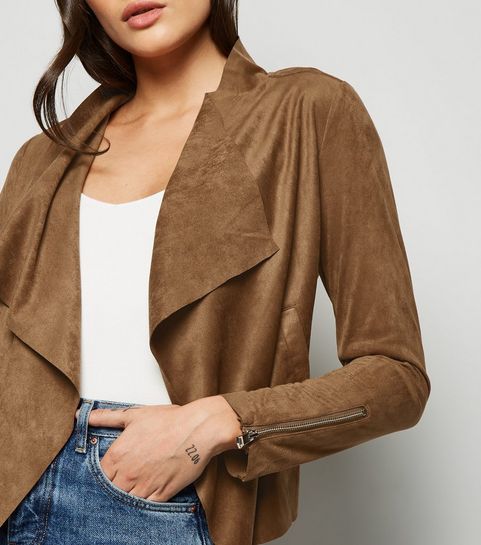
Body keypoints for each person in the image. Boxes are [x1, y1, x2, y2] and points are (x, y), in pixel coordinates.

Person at [0, 1, 431, 544]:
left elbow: (396, 377)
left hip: (164, 497)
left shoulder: (306, 112)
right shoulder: (42, 158)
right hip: (15, 488)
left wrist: (220, 422)